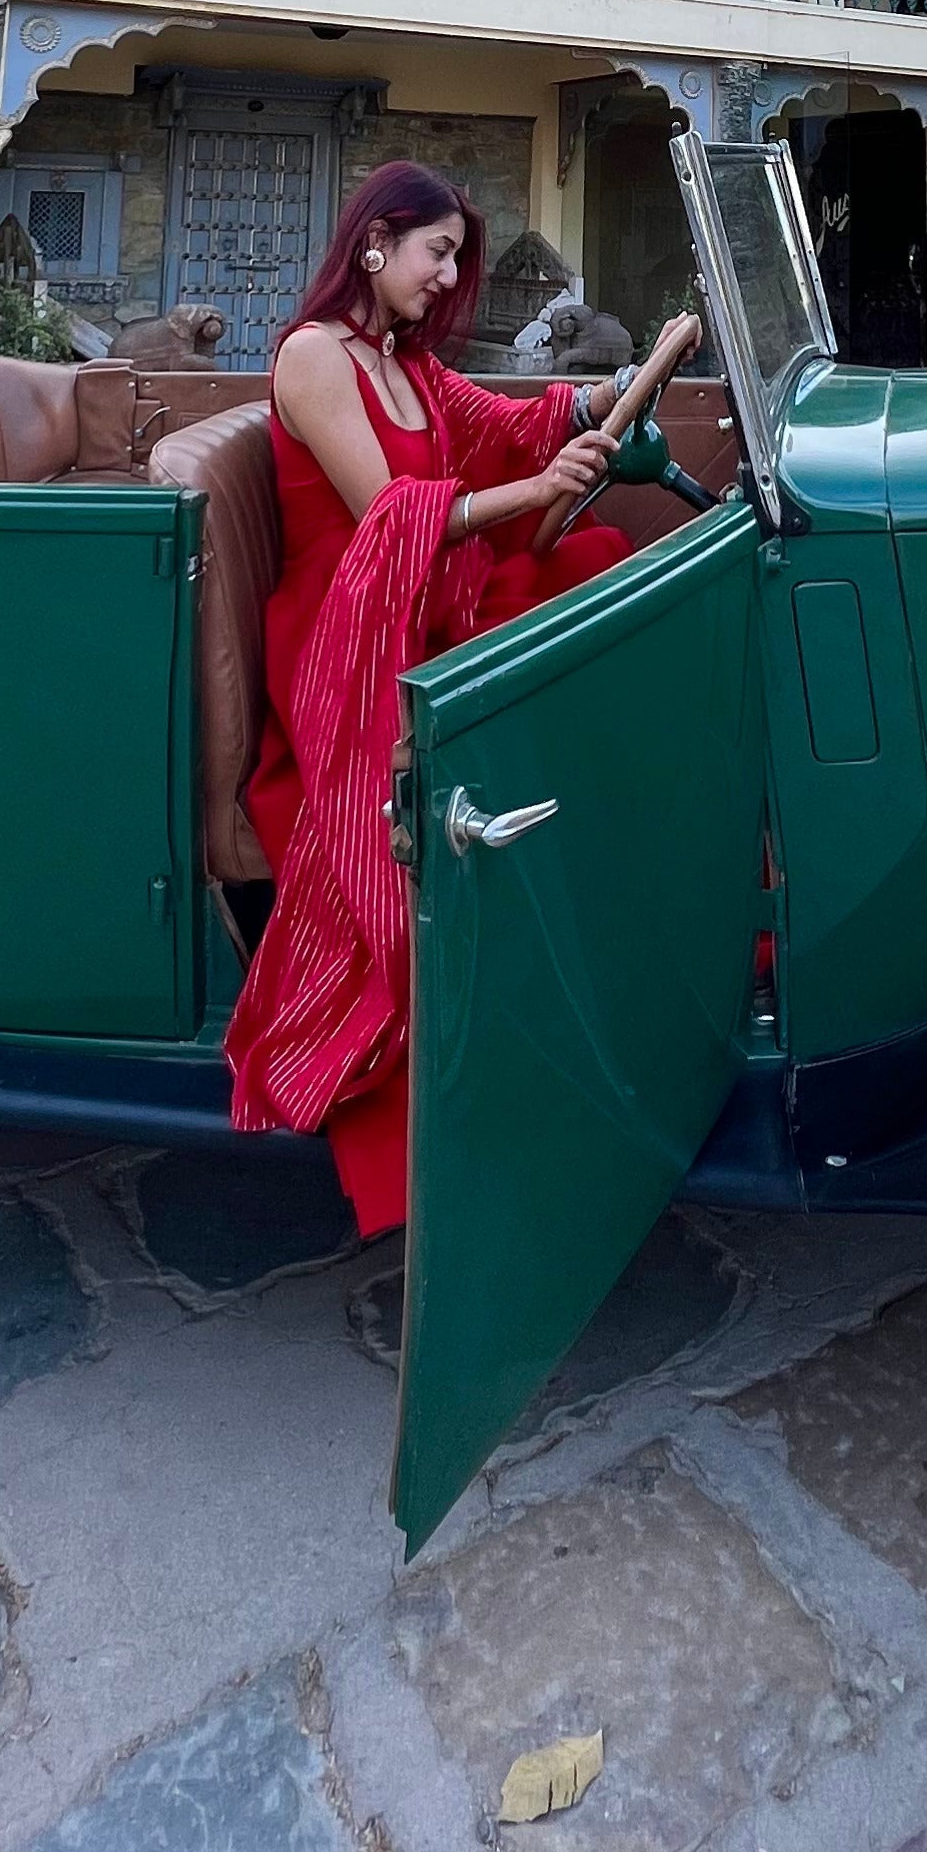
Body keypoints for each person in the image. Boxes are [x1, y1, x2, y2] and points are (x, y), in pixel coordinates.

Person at [224, 161, 700, 1234]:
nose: (448, 278)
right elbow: (389, 515)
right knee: (563, 585)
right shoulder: (313, 356)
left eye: (453, 258)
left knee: (596, 563)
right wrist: (536, 490)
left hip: (425, 605)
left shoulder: (407, 363)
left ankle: (627, 896)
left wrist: (614, 393)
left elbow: (501, 421)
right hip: (350, 637)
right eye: (437, 253)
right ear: (375, 244)